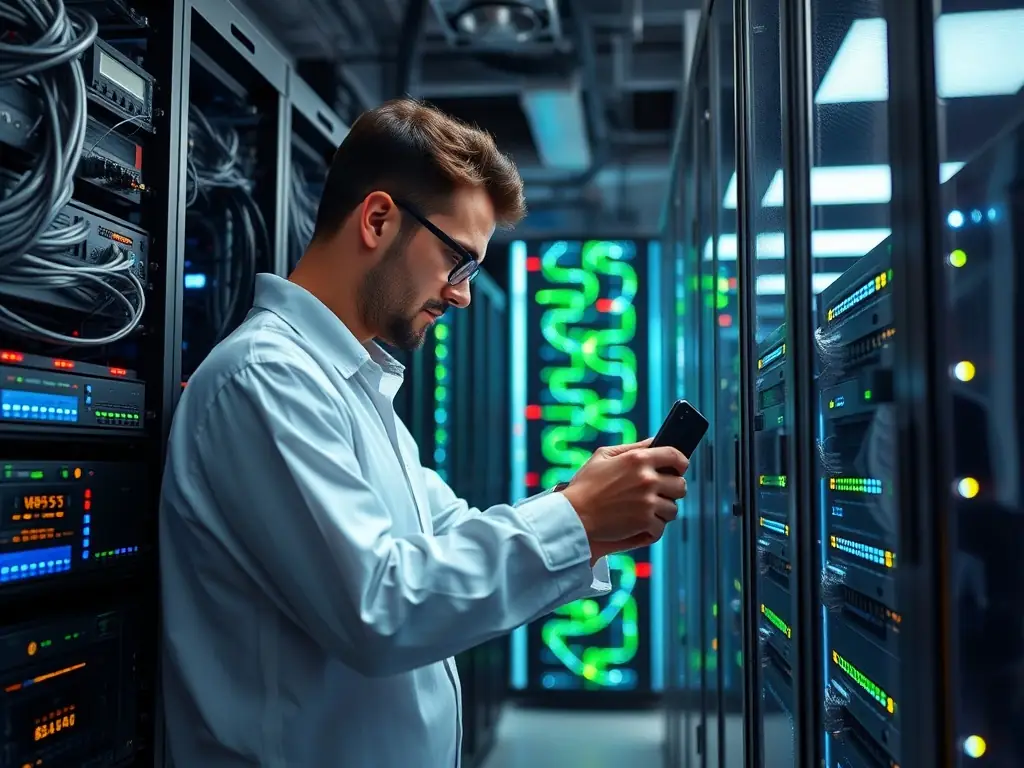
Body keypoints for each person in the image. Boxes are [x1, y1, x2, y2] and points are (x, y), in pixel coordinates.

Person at [159, 98, 689, 767]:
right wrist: (577, 516)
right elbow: (379, 607)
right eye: (458, 260)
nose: (463, 293)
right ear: (378, 220)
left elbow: (449, 538)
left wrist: (593, 516)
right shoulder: (265, 379)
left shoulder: (348, 384)